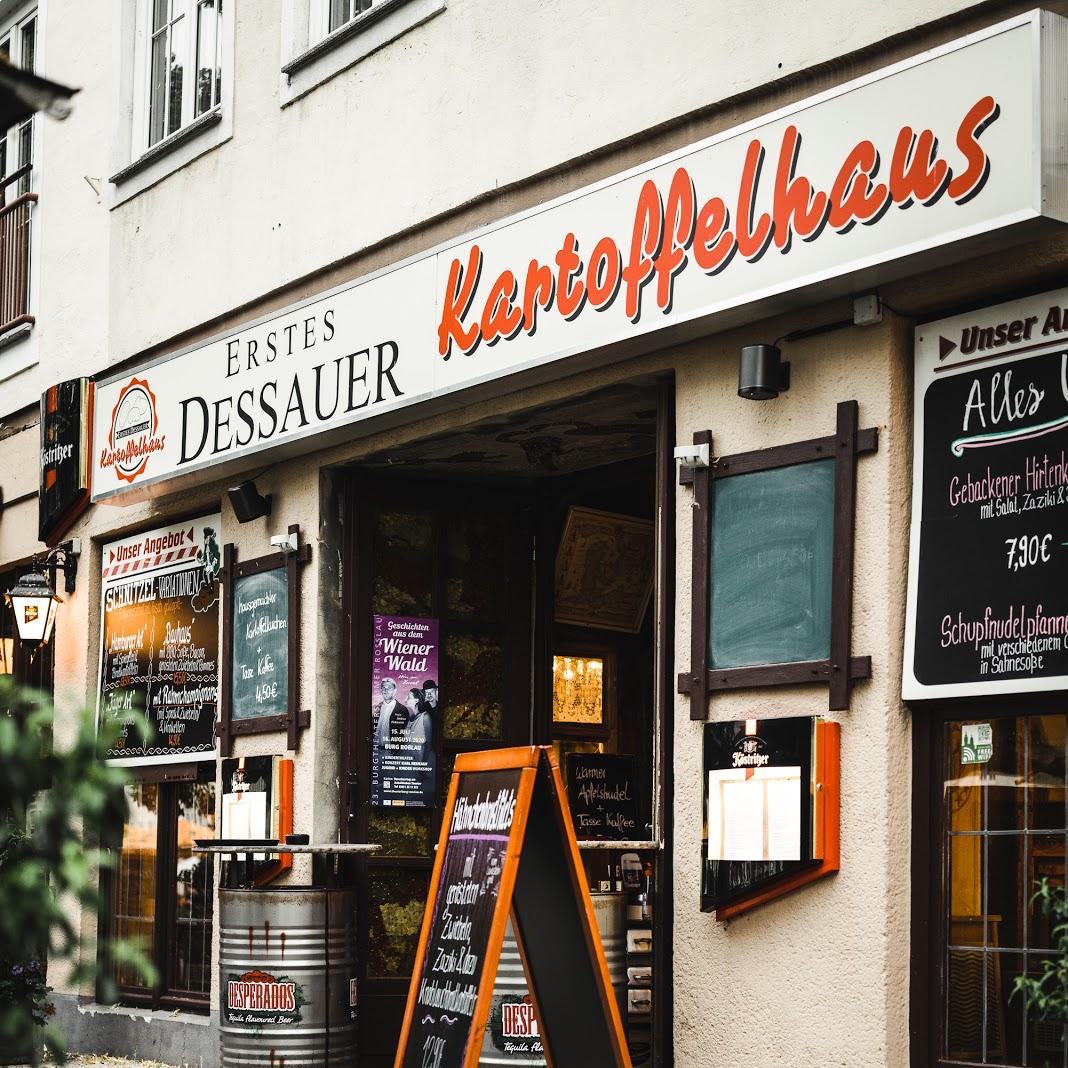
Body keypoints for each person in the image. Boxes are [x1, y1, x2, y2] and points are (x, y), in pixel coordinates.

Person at [373, 677, 406, 747]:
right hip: (376, 750)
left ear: (395, 691)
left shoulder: (402, 709)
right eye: (383, 687)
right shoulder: (375, 708)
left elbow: (404, 732)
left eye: (389, 688)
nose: (386, 690)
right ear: (381, 690)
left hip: (392, 751)